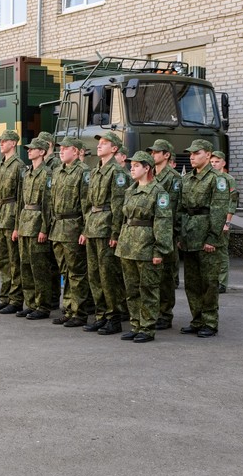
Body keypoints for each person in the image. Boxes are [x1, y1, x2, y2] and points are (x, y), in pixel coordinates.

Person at [115, 152, 173, 343]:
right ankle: (135, 325)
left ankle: (147, 328)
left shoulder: (159, 192)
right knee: (131, 290)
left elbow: (163, 224)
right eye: (131, 165)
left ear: (147, 168)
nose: (131, 168)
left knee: (148, 290)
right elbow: (125, 219)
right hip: (128, 246)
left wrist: (159, 250)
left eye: (136, 165)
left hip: (147, 247)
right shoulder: (130, 190)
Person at [178, 139, 230, 338]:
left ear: (208, 155)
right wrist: (181, 235)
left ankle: (209, 321)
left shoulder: (217, 179)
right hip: (190, 235)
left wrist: (212, 238)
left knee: (209, 282)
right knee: (192, 282)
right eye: (190, 154)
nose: (191, 157)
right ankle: (197, 319)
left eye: (196, 153)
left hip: (207, 237)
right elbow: (182, 209)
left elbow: (218, 211)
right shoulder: (187, 179)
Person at [81, 132, 128, 335]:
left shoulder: (117, 173)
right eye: (98, 143)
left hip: (107, 227)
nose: (99, 146)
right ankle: (101, 315)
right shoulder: (96, 171)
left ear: (115, 148)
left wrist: (115, 234)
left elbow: (119, 207)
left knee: (109, 276)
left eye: (104, 143)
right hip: (93, 226)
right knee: (94, 275)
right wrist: (85, 229)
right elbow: (89, 204)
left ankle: (114, 317)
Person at [49, 137, 90, 327]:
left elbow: (86, 204)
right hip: (58, 227)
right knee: (64, 270)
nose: (61, 151)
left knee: (76, 272)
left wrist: (85, 229)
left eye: (65, 148)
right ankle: (67, 308)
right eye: (60, 148)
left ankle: (79, 312)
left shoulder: (83, 172)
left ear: (76, 151)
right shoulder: (57, 172)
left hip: (74, 226)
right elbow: (51, 202)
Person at [13, 138, 53, 319]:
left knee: (39, 268)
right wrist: (16, 227)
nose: (29, 151)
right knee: (26, 266)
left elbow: (48, 205)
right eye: (28, 149)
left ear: (42, 152)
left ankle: (42, 306)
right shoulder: (27, 173)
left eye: (33, 149)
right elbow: (21, 202)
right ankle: (30, 303)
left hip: (37, 224)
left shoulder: (47, 174)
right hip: (24, 223)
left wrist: (44, 229)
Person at [0, 130, 25, 313]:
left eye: (4, 141)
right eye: (0, 141)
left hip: (11, 217)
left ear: (14, 143)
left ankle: (16, 299)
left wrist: (18, 225)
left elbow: (21, 198)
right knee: (2, 261)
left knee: (14, 261)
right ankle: (5, 297)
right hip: (1, 216)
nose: (1, 143)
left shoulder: (19, 166)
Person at [146, 139, 181, 329]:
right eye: (151, 153)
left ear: (166, 155)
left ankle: (165, 315)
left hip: (165, 233)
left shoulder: (173, 178)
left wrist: (171, 236)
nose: (153, 155)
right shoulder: (152, 176)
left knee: (166, 277)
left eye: (156, 152)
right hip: (148, 232)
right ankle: (154, 311)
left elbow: (174, 210)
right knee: (152, 277)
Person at [37, 131, 63, 310]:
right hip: (39, 218)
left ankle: (54, 297)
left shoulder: (55, 165)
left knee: (53, 263)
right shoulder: (39, 165)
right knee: (45, 262)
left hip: (53, 218)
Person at [210, 151, 238, 293]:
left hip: (221, 221)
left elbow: (232, 202)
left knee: (221, 252)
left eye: (217, 161)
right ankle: (211, 280)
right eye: (212, 162)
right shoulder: (208, 179)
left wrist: (227, 222)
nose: (214, 164)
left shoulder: (228, 179)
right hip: (208, 221)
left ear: (223, 163)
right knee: (209, 253)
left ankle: (222, 282)